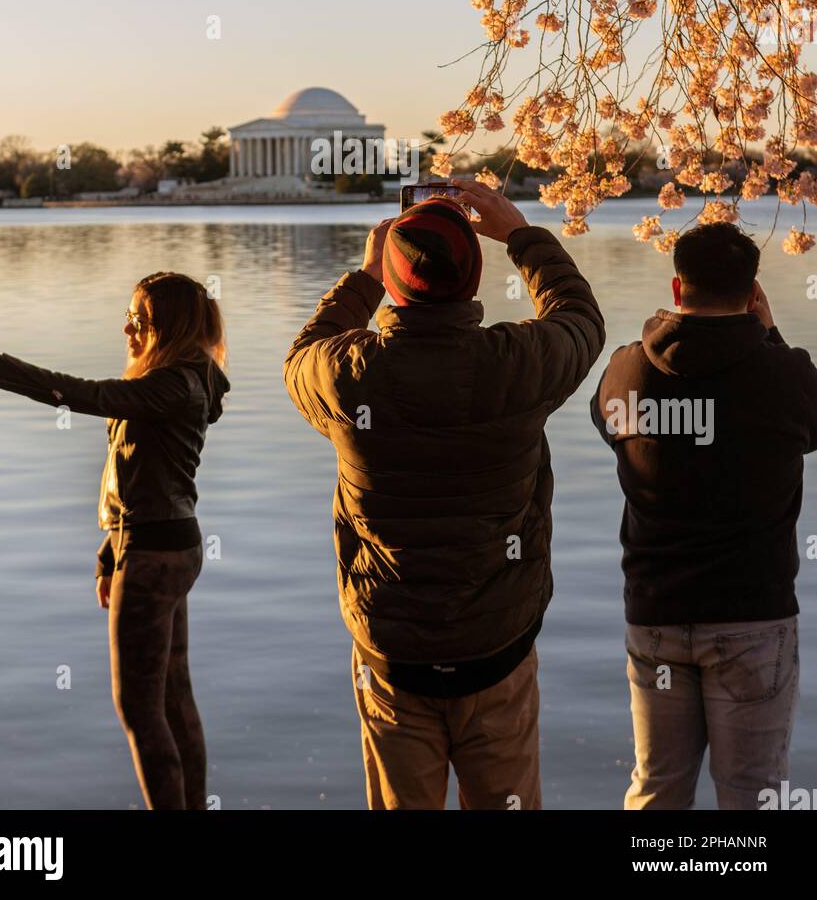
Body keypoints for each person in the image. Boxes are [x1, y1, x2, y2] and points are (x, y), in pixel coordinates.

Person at [283, 178, 605, 810]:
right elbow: (581, 320)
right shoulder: (518, 363)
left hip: (392, 653)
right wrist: (519, 232)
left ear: (394, 283)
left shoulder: (347, 375)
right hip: (496, 645)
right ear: (474, 280)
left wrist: (366, 276)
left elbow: (301, 355)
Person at [0, 271, 229, 811]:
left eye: (138, 320)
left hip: (154, 556)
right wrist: (107, 554)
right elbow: (141, 473)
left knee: (139, 709)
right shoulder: (180, 380)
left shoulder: (172, 386)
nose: (126, 327)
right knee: (171, 696)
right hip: (160, 546)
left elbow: (79, 394)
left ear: (167, 327)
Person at [590, 221, 817, 810]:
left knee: (657, 787)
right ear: (753, 293)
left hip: (656, 613)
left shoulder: (626, 370)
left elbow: (607, 421)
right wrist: (767, 338)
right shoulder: (787, 374)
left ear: (676, 285)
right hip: (752, 616)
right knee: (753, 793)